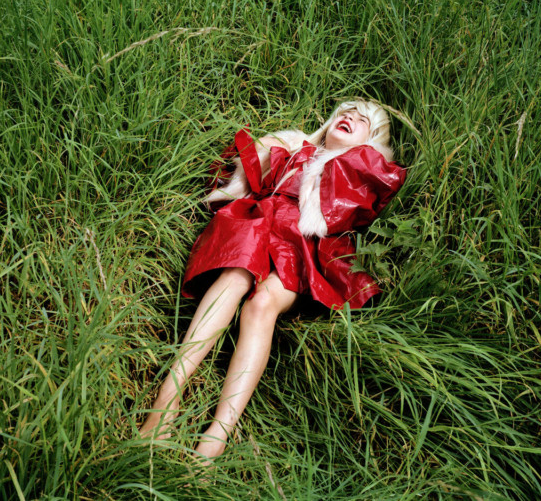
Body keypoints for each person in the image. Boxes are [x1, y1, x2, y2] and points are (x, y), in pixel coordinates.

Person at [138, 99, 407, 461]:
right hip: (257, 227)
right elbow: (238, 173)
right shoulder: (290, 147)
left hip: (303, 251)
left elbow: (351, 199)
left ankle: (217, 436)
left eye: (362, 121)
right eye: (346, 111)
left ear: (371, 142)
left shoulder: (357, 169)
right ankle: (166, 400)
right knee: (235, 275)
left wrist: (342, 159)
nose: (349, 117)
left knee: (262, 304)